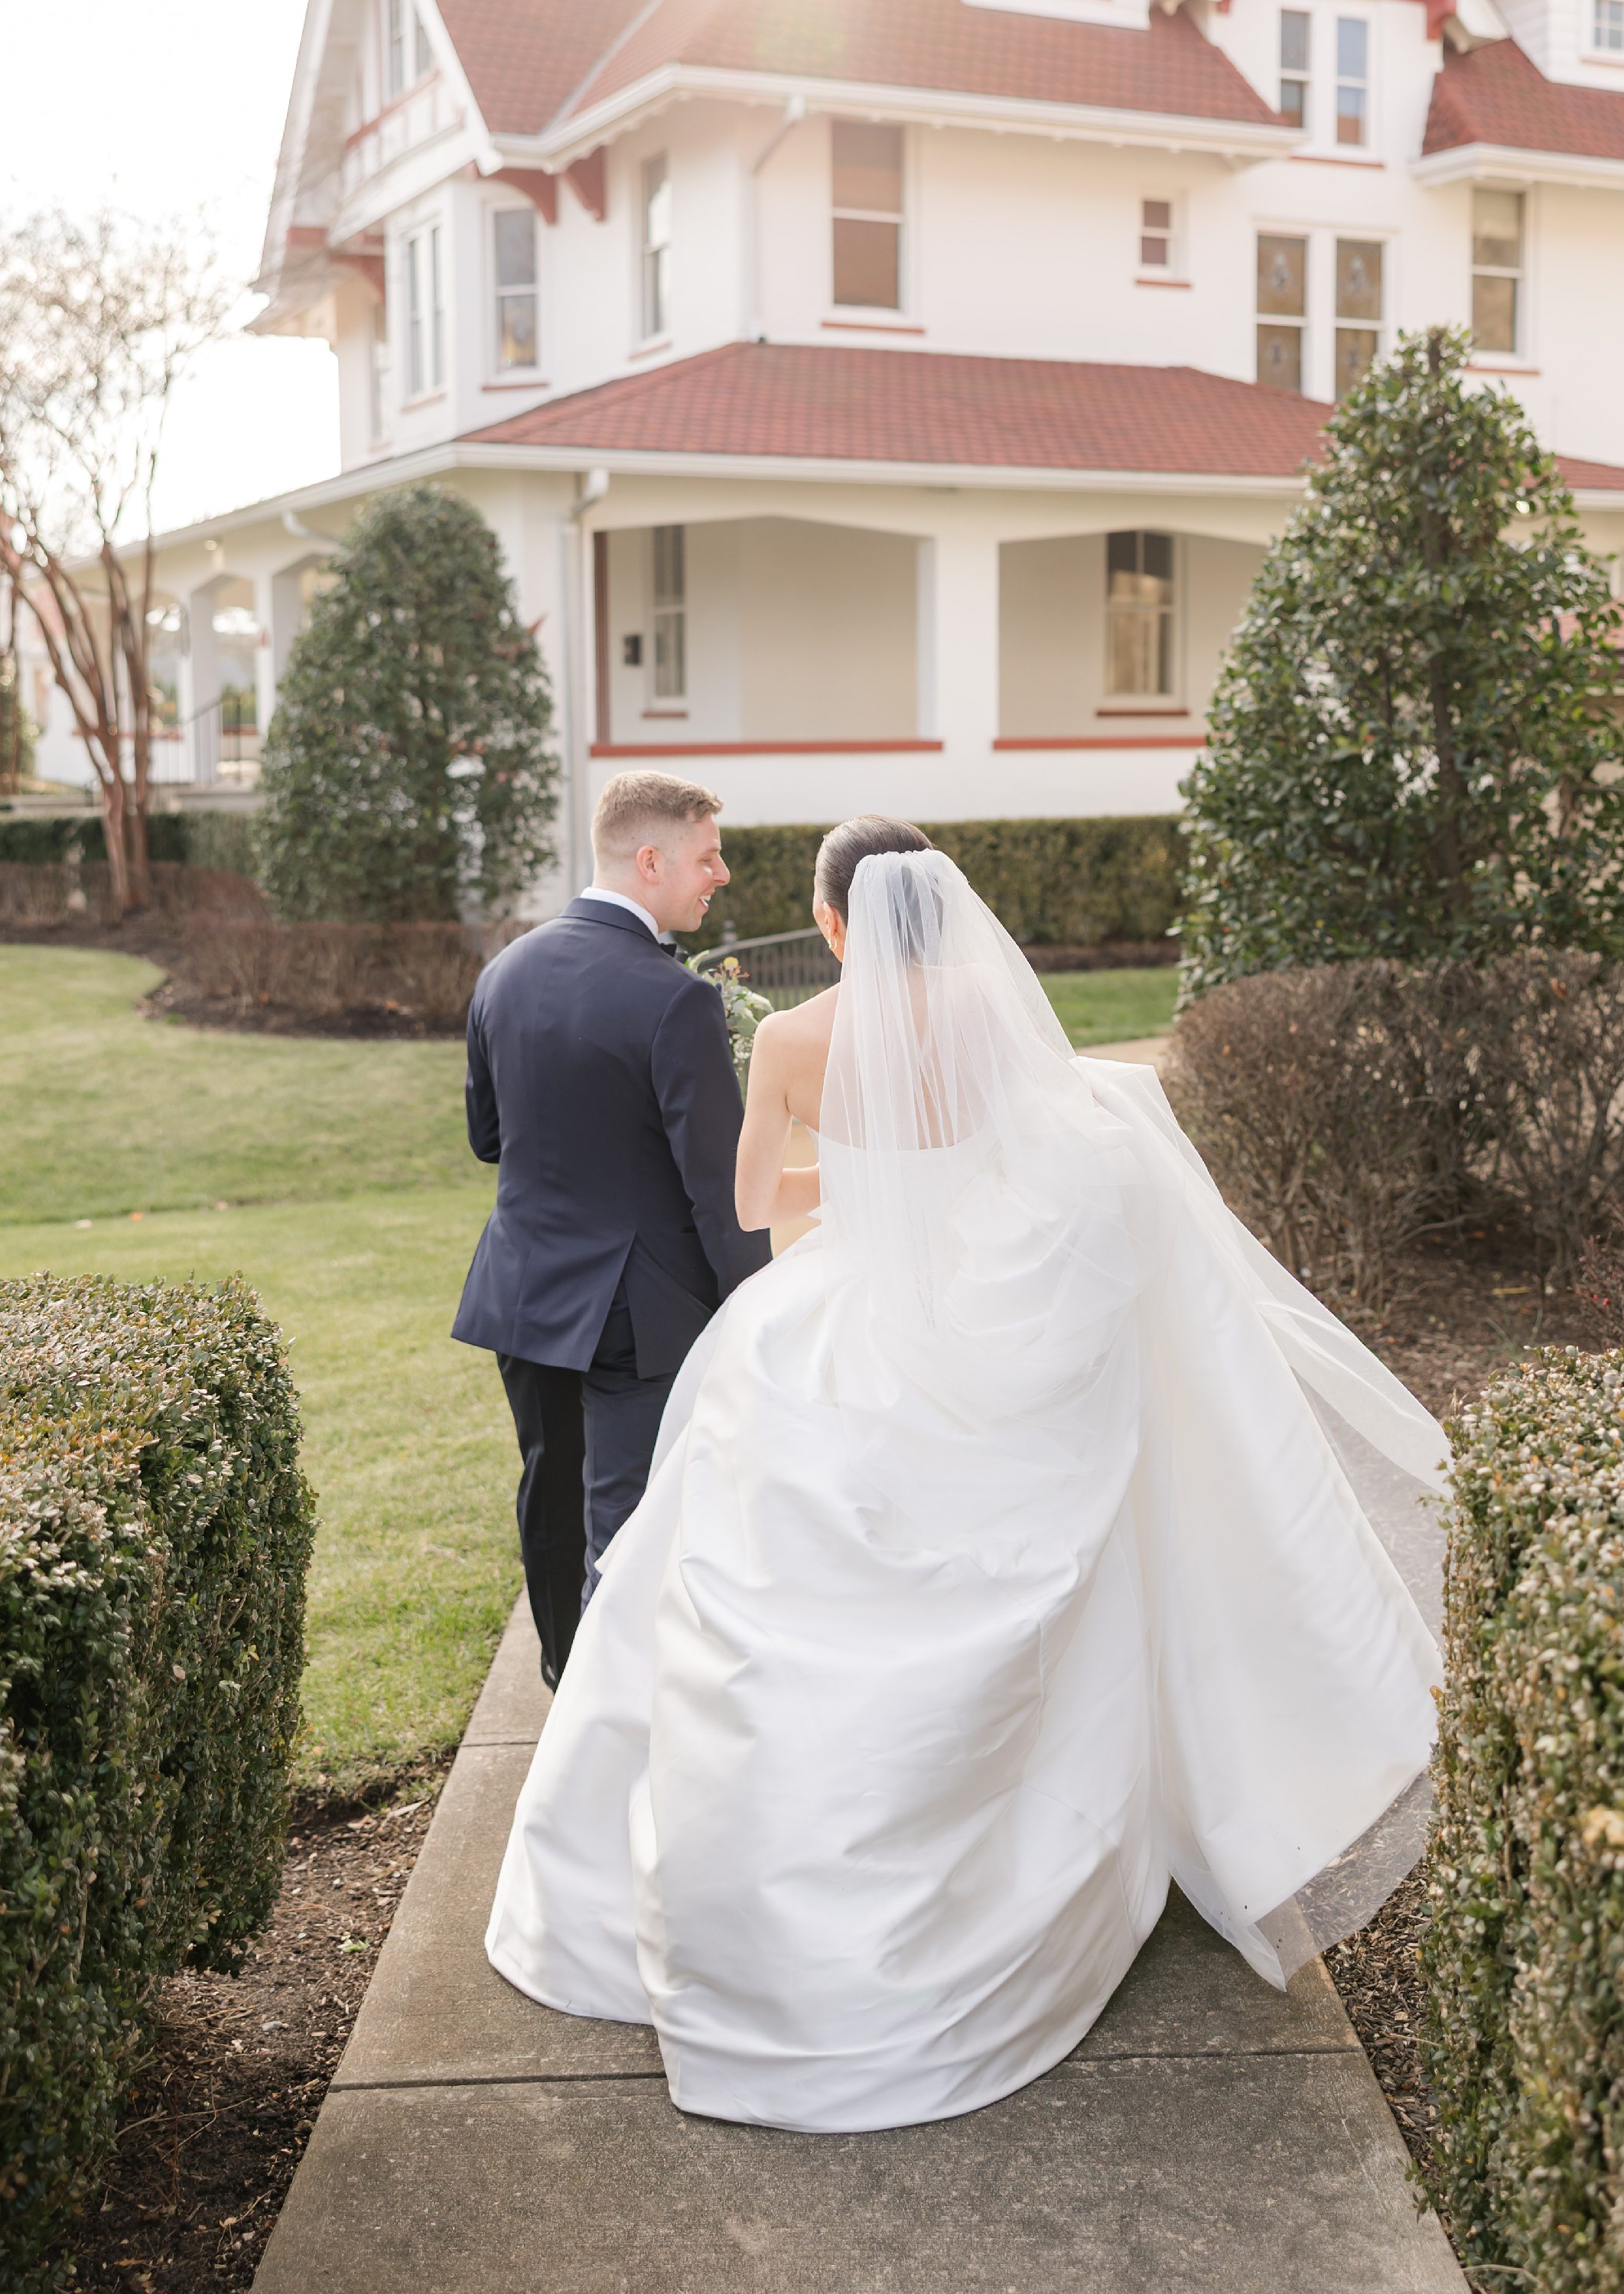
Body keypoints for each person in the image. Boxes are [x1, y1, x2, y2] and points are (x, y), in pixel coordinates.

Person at [485, 817, 1449, 2132]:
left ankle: (741, 1903)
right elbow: (1040, 1170)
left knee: (743, 1573)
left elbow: (762, 1203)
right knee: (1027, 1569)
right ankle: (1015, 1854)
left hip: (837, 1323)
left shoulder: (788, 1039)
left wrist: (869, 1177)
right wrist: (929, 1173)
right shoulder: (1002, 1032)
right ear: (948, 917)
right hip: (981, 1320)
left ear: (831, 924)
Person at [452, 771, 770, 1690]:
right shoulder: (674, 999)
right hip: (638, 1308)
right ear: (650, 860)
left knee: (552, 1497)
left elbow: (487, 1138)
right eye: (708, 856)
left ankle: (563, 1674)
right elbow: (718, 1190)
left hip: (522, 1289)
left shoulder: (502, 971)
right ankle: (613, 1718)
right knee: (627, 1523)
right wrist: (756, 1311)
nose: (721, 873)